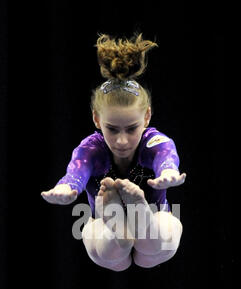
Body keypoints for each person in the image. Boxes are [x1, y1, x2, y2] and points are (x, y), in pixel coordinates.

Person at [41, 33, 186, 271]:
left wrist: (169, 170)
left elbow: (165, 154)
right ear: (97, 119)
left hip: (154, 221)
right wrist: (66, 188)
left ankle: (141, 223)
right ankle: (119, 228)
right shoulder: (90, 149)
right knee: (106, 247)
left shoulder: (154, 142)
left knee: (160, 237)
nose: (121, 140)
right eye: (112, 128)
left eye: (131, 129)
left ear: (146, 116)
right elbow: (75, 173)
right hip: (104, 224)